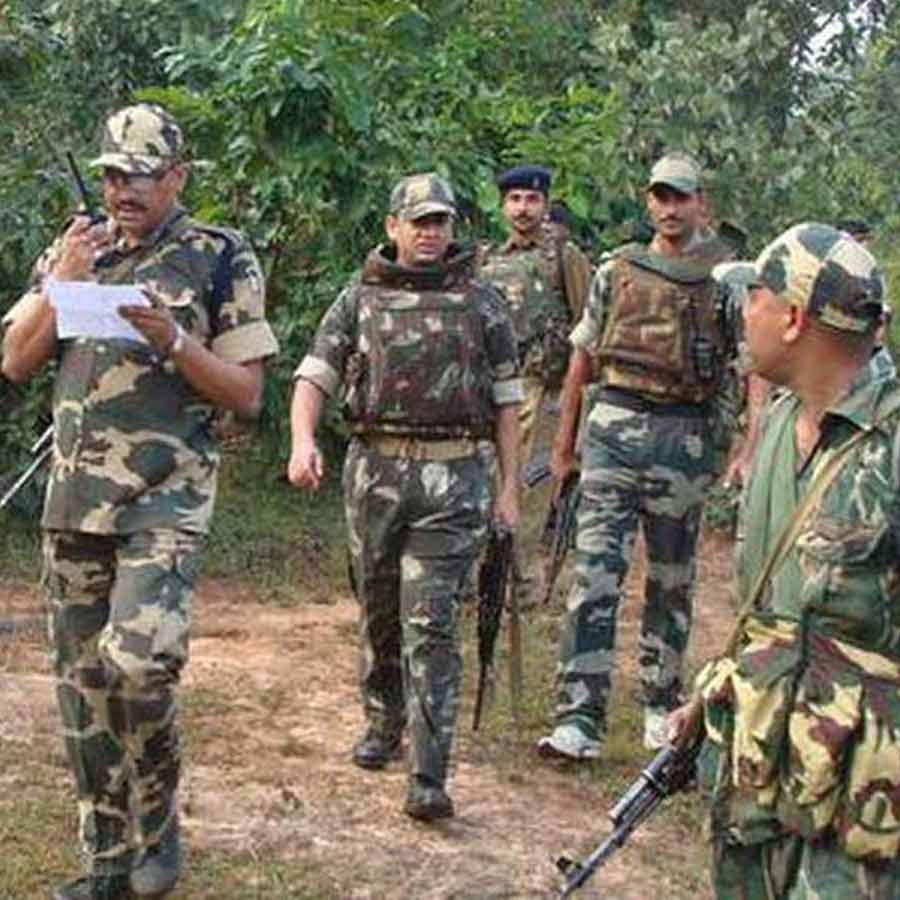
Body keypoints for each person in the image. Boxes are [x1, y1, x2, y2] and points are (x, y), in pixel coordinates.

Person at [1, 103, 279, 900]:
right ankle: (107, 860)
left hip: (165, 498)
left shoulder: (219, 257)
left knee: (139, 665)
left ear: (178, 178)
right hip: (72, 501)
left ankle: (160, 826)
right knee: (83, 687)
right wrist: (62, 285)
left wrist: (173, 341)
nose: (123, 189)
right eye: (113, 174)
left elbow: (248, 394)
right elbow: (15, 361)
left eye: (141, 175)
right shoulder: (75, 247)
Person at [669, 223, 900, 899]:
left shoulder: (890, 449)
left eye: (757, 299)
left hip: (859, 795)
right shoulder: (774, 424)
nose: (745, 315)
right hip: (760, 759)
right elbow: (762, 601)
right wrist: (712, 686)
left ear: (794, 318)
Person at [287, 173, 522, 821]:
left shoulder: (482, 303)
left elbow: (507, 402)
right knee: (379, 609)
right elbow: (315, 375)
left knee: (432, 621)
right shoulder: (359, 298)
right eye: (417, 221)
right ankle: (382, 720)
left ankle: (428, 771)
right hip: (375, 474)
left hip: (454, 481)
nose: (430, 232)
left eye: (440, 221)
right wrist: (302, 440)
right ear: (392, 227)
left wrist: (508, 489)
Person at [537, 152, 736, 760]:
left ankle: (660, 702)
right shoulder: (615, 271)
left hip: (685, 436)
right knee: (594, 575)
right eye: (661, 197)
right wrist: (563, 448)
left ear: (701, 202)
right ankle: (579, 718)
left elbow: (747, 369)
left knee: (671, 580)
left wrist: (742, 450)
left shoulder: (725, 280)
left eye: (681, 197)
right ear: (648, 201)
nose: (670, 209)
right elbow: (582, 360)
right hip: (614, 431)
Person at [479, 164, 592, 468]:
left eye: (532, 199)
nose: (523, 208)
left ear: (544, 205)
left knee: (537, 490)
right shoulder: (487, 260)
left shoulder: (564, 256)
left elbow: (588, 326)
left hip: (545, 395)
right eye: (514, 199)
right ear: (503, 207)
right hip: (496, 391)